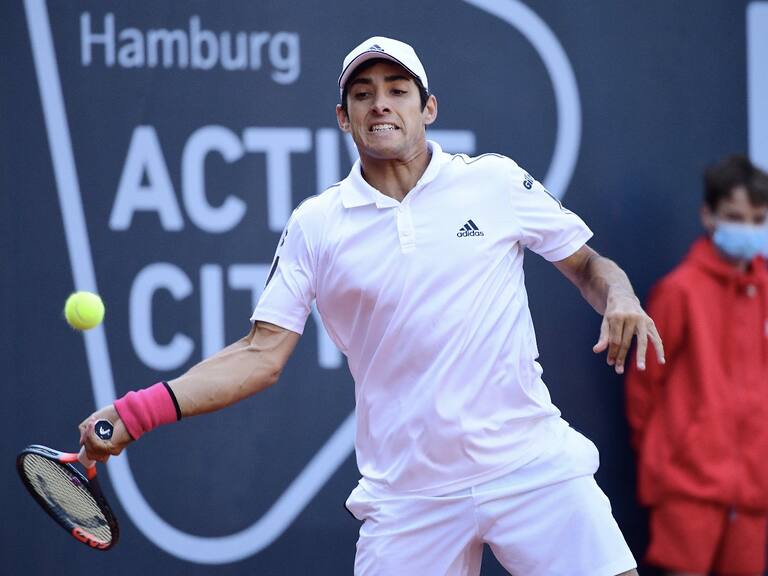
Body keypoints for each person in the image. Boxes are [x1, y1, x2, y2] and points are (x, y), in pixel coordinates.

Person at [80, 36, 663, 575]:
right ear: (344, 118)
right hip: (408, 496)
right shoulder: (317, 224)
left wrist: (622, 296)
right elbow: (261, 354)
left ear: (427, 108)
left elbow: (588, 266)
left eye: (396, 91)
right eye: (363, 95)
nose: (380, 104)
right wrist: (136, 414)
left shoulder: (494, 183)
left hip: (530, 465)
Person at [625, 155, 768, 576]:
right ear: (709, 215)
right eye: (735, 217)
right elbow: (644, 386)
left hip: (755, 491)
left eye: (758, 218)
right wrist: (669, 460)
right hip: (687, 489)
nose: (747, 227)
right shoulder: (679, 290)